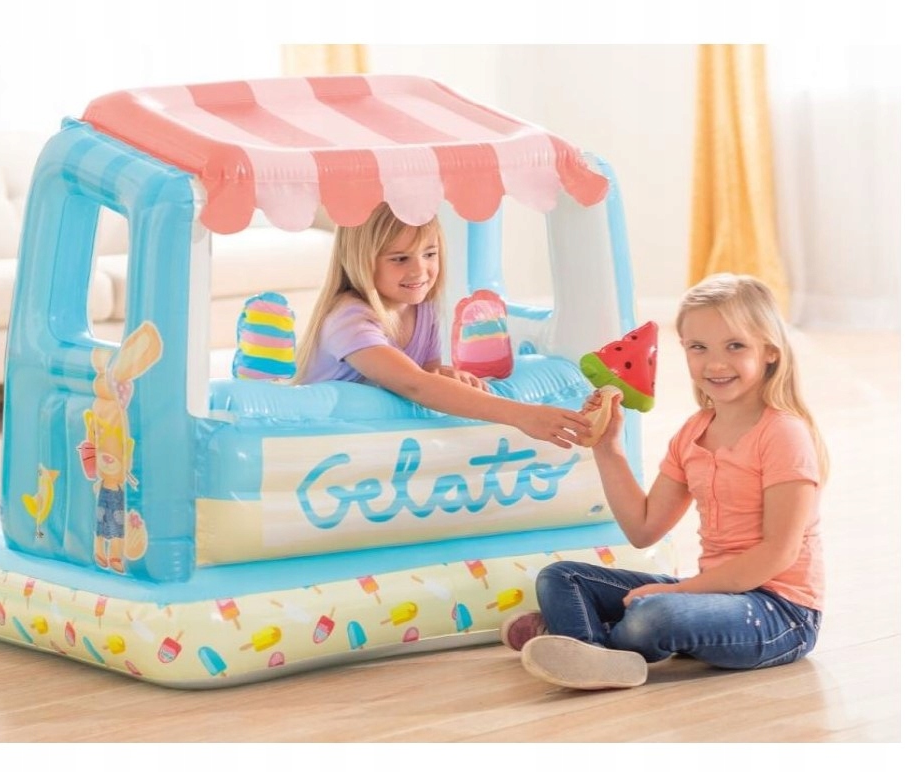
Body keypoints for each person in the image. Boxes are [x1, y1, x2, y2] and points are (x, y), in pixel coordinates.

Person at [500, 273, 829, 690]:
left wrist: (680, 592)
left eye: (735, 346)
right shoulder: (693, 432)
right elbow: (643, 529)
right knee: (561, 577)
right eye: (698, 347)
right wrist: (607, 446)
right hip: (716, 593)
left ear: (769, 352)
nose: (715, 364)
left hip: (781, 612)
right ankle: (595, 654)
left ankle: (579, 639)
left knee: (654, 616)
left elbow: (778, 554)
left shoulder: (784, 434)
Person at [293, 202, 592, 448]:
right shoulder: (349, 319)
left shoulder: (421, 307)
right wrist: (522, 415)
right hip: (322, 441)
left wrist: (445, 374)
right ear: (360, 260)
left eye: (429, 254)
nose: (419, 270)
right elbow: (414, 384)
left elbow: (427, 372)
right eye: (400, 258)